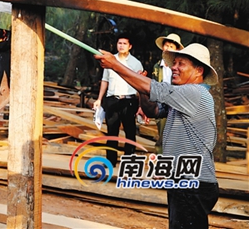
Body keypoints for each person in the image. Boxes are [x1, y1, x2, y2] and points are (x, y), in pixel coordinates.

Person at [94, 43, 219, 229]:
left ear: (199, 70)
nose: (174, 68)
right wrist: (141, 91)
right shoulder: (181, 97)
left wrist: (115, 65)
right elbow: (152, 110)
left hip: (193, 183)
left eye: (181, 64)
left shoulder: (195, 93)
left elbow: (157, 89)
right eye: (174, 63)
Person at [93, 33, 144, 166]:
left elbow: (141, 85)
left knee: (130, 132)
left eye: (124, 43)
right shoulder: (109, 60)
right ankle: (110, 161)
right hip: (112, 100)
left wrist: (141, 105)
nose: (121, 46)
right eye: (119, 43)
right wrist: (99, 99)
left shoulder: (136, 63)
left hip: (129, 101)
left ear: (130, 46)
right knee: (111, 132)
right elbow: (105, 81)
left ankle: (129, 162)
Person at [152, 33, 184, 153]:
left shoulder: (179, 66)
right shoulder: (157, 66)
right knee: (162, 135)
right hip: (162, 103)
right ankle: (162, 163)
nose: (168, 48)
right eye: (166, 45)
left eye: (171, 46)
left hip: (176, 103)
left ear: (176, 50)